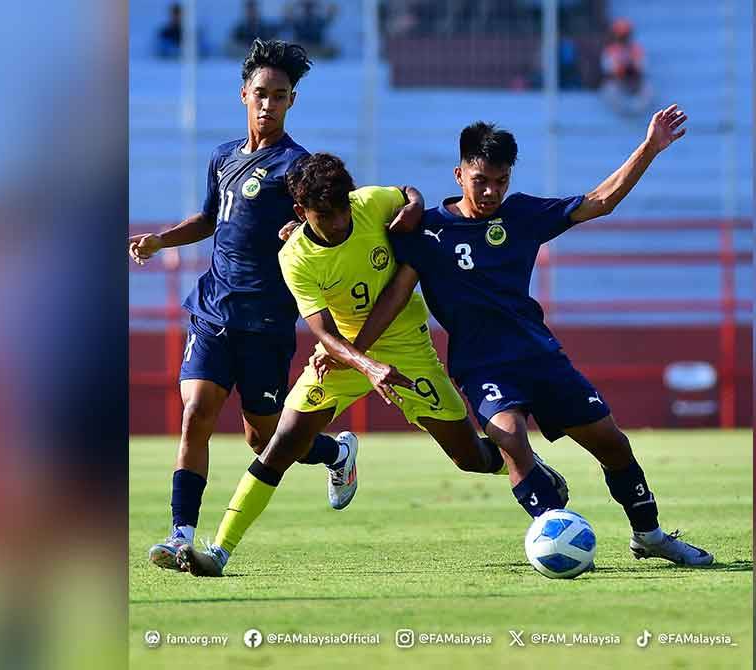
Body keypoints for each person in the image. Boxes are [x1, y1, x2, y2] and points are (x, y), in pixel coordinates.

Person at [317, 111, 714, 566]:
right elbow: (391, 290)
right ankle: (555, 536)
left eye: (501, 181)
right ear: (459, 174)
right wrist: (355, 349)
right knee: (509, 439)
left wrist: (649, 148)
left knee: (612, 444)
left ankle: (650, 535)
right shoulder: (425, 231)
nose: (491, 192)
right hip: (481, 365)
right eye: (481, 181)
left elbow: (600, 201)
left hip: (538, 355)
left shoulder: (522, 214)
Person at [176, 153, 568, 577]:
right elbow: (324, 333)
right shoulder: (295, 256)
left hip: (407, 349)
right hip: (341, 357)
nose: (339, 222)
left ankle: (525, 463)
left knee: (469, 456)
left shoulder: (369, 203)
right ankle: (219, 551)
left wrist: (414, 205)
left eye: (342, 209)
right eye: (325, 216)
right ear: (301, 213)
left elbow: (408, 192)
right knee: (281, 444)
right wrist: (367, 365)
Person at [129, 40, 351, 572]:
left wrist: (301, 230)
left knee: (263, 437)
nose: (268, 104)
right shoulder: (223, 156)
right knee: (195, 415)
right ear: (243, 95)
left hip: (266, 321)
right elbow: (210, 219)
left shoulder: (296, 165)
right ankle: (181, 535)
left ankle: (337, 452)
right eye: (260, 93)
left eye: (279, 95)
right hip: (213, 310)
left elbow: (328, 221)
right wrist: (161, 240)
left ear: (292, 101)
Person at [600, 18, 652, 115]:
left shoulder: (636, 49)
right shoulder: (610, 50)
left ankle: (636, 112)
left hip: (634, 81)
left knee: (648, 89)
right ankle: (622, 113)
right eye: (621, 35)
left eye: (625, 35)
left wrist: (631, 68)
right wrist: (622, 69)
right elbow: (609, 70)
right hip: (618, 82)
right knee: (609, 88)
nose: (623, 38)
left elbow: (642, 68)